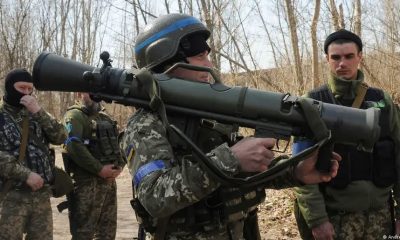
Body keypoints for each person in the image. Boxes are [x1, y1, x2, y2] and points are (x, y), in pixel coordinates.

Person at [120, 13, 341, 240]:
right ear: (167, 63)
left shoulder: (209, 113)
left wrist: (295, 171)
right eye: (199, 56)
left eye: (207, 56)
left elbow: (245, 172)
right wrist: (230, 158)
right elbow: (155, 196)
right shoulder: (146, 123)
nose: (209, 65)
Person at [293, 29, 400, 239]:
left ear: (360, 56)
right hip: (335, 220)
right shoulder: (311, 103)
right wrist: (317, 220)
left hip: (382, 218)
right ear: (327, 59)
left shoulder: (382, 100)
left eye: (349, 56)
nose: (342, 63)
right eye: (336, 57)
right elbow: (299, 169)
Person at [0, 68, 67, 240]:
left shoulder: (36, 113)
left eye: (30, 89)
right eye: (22, 88)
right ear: (9, 87)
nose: (27, 93)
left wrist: (39, 112)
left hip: (41, 196)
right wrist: (25, 174)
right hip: (10, 196)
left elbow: (61, 137)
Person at [62, 93, 125, 239]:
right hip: (85, 185)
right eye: (88, 92)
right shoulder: (74, 116)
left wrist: (119, 165)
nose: (93, 95)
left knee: (107, 232)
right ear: (79, 94)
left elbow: (118, 144)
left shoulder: (105, 117)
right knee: (84, 233)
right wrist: (99, 169)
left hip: (108, 183)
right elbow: (74, 146)